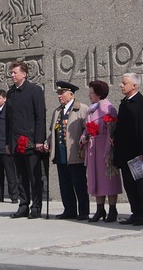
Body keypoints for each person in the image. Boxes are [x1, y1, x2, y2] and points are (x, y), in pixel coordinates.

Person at [5, 61, 47, 220]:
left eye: (15, 72)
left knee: (34, 176)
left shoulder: (34, 90)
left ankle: (36, 206)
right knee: (20, 176)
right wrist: (8, 143)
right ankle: (23, 205)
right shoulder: (10, 93)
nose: (12, 75)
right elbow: (8, 120)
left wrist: (39, 140)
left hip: (30, 141)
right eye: (11, 72)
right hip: (15, 142)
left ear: (24, 73)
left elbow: (40, 117)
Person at [113, 72, 143, 226]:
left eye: (124, 83)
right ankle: (135, 212)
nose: (121, 85)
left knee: (141, 186)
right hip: (125, 152)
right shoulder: (124, 103)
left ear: (135, 85)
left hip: (138, 152)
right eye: (122, 83)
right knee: (129, 186)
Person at [47, 81, 89, 220]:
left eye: (62, 93)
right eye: (58, 93)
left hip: (75, 153)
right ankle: (69, 210)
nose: (59, 96)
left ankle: (83, 211)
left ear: (70, 94)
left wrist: (83, 146)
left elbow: (87, 130)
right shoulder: (58, 111)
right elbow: (53, 131)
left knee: (79, 184)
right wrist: (48, 143)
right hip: (60, 153)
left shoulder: (81, 109)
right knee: (65, 185)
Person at [81, 80, 122, 223]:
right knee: (95, 179)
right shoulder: (91, 109)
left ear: (98, 94)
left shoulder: (108, 108)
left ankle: (112, 209)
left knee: (109, 179)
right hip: (93, 148)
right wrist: (84, 137)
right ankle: (100, 209)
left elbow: (113, 131)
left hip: (105, 147)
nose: (89, 95)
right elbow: (87, 127)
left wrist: (109, 149)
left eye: (91, 92)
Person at [0, 89, 18, 204]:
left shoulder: (8, 112)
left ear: (5, 99)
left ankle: (14, 196)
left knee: (10, 173)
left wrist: (9, 144)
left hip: (6, 148)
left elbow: (10, 129)